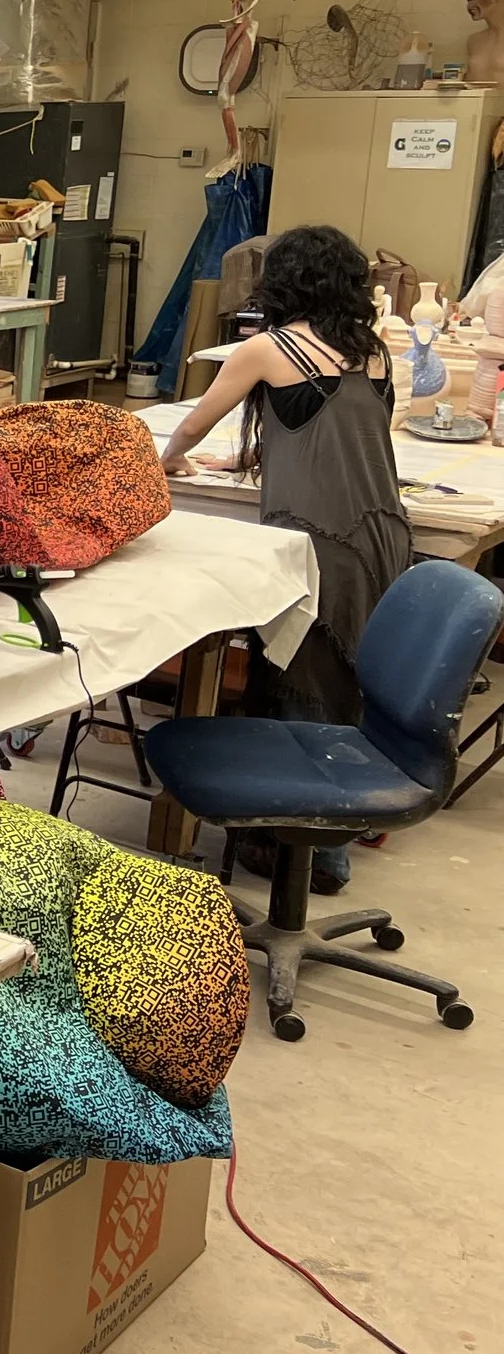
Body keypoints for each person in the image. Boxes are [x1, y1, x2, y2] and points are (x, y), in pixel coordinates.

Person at [159, 225, 411, 888]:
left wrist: (169, 462)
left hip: (315, 539)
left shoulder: (270, 347)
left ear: (283, 283)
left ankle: (316, 855)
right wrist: (248, 457)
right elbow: (338, 434)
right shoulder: (371, 352)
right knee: (346, 681)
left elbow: (193, 423)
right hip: (381, 533)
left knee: (303, 680)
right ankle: (328, 829)